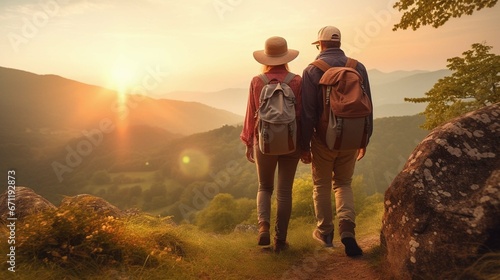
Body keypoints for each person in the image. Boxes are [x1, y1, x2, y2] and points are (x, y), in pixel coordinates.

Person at [300, 26, 373, 257]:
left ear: (319, 44)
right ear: (339, 43)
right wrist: (365, 138)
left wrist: (304, 145)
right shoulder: (357, 67)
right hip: (352, 137)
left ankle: (326, 233)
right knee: (343, 184)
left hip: (324, 139)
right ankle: (348, 230)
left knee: (321, 185)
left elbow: (308, 113)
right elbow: (368, 105)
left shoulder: (312, 70)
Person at [240, 36, 302, 253]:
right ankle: (280, 240)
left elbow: (251, 115)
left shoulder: (257, 81)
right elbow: (301, 116)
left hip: (263, 141)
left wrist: (249, 141)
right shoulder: (297, 81)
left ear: (266, 57)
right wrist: (305, 146)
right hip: (291, 143)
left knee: (265, 187)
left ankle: (263, 227)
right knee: (285, 192)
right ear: (286, 57)